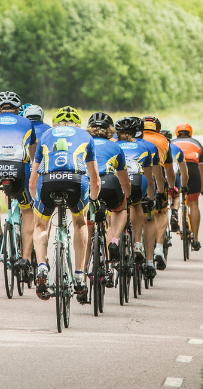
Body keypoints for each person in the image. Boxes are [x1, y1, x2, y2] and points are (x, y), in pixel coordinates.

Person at [30, 106, 101, 302]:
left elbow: (33, 181)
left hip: (48, 181)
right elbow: (95, 180)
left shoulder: (45, 135)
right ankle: (79, 276)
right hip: (76, 182)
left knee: (40, 226)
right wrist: (93, 200)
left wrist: (36, 202)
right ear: (77, 124)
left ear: (55, 123)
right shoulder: (86, 136)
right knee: (80, 223)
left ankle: (42, 267)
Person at [0, 91, 37, 274]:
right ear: (18, 110)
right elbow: (33, 155)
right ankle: (26, 257)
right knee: (27, 211)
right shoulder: (27, 123)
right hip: (21, 168)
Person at [83, 112, 131, 288]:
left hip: (88, 184)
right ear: (110, 130)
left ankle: (81, 275)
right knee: (120, 209)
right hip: (109, 182)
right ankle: (114, 240)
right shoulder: (116, 147)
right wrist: (126, 197)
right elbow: (124, 181)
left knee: (87, 233)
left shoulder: (83, 143)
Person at [114, 117, 155, 275]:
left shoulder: (113, 145)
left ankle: (114, 239)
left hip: (118, 181)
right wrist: (151, 199)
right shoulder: (144, 147)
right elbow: (150, 180)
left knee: (115, 207)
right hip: (138, 181)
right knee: (137, 204)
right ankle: (138, 242)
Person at [138, 117, 176, 272]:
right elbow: (169, 171)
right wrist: (170, 188)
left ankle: (134, 243)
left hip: (136, 177)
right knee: (160, 214)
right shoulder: (164, 141)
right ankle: (159, 247)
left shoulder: (136, 138)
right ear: (158, 128)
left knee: (135, 210)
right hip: (155, 177)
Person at [172, 123, 203, 251]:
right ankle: (195, 240)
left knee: (174, 196)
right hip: (192, 170)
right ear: (190, 133)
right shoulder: (197, 144)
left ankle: (174, 214)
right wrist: (202, 187)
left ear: (177, 133)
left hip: (177, 169)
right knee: (194, 204)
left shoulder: (172, 143)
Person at [161, 129, 188, 232]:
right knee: (176, 195)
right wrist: (184, 186)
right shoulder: (177, 148)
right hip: (174, 175)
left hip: (160, 175)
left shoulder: (157, 146)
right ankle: (174, 213)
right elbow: (184, 172)